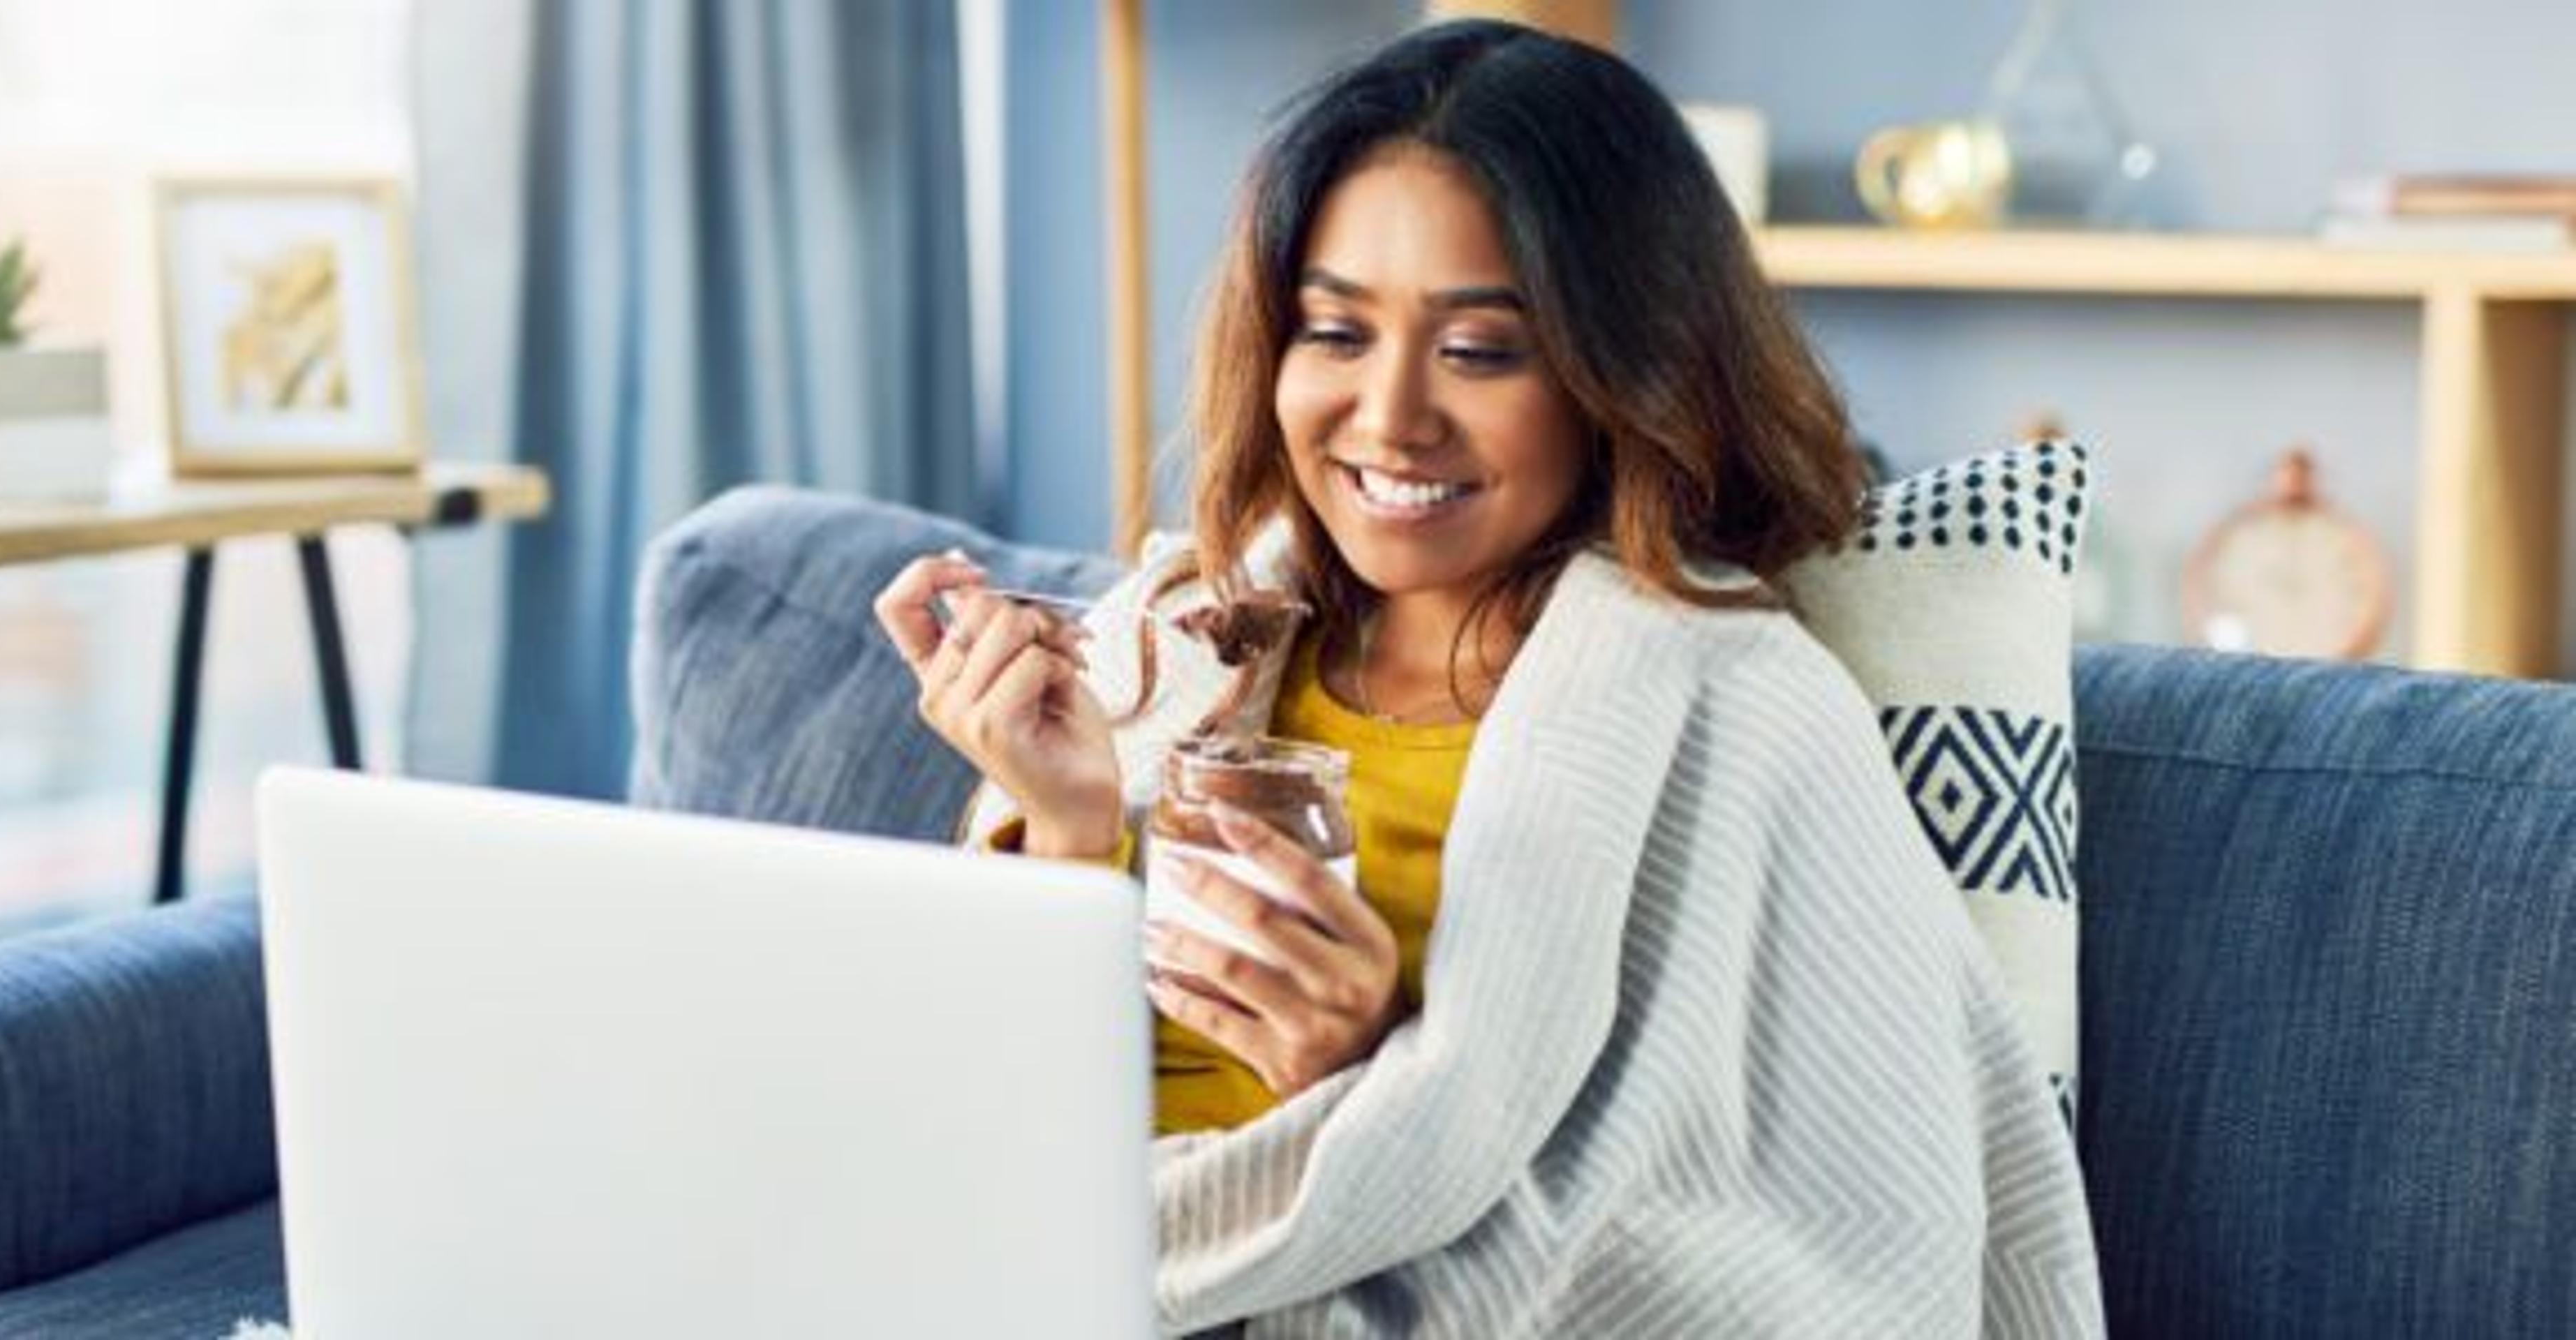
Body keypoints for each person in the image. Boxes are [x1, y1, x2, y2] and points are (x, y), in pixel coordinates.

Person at [873, 18, 2103, 1337]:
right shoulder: (1182, 641)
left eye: (1478, 352)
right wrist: (1063, 827)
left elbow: (1786, 1245)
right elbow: (985, 1130)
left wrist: (1354, 1074)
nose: (1390, 415)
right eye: (1335, 332)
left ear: (1620, 372)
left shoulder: (1740, 712)